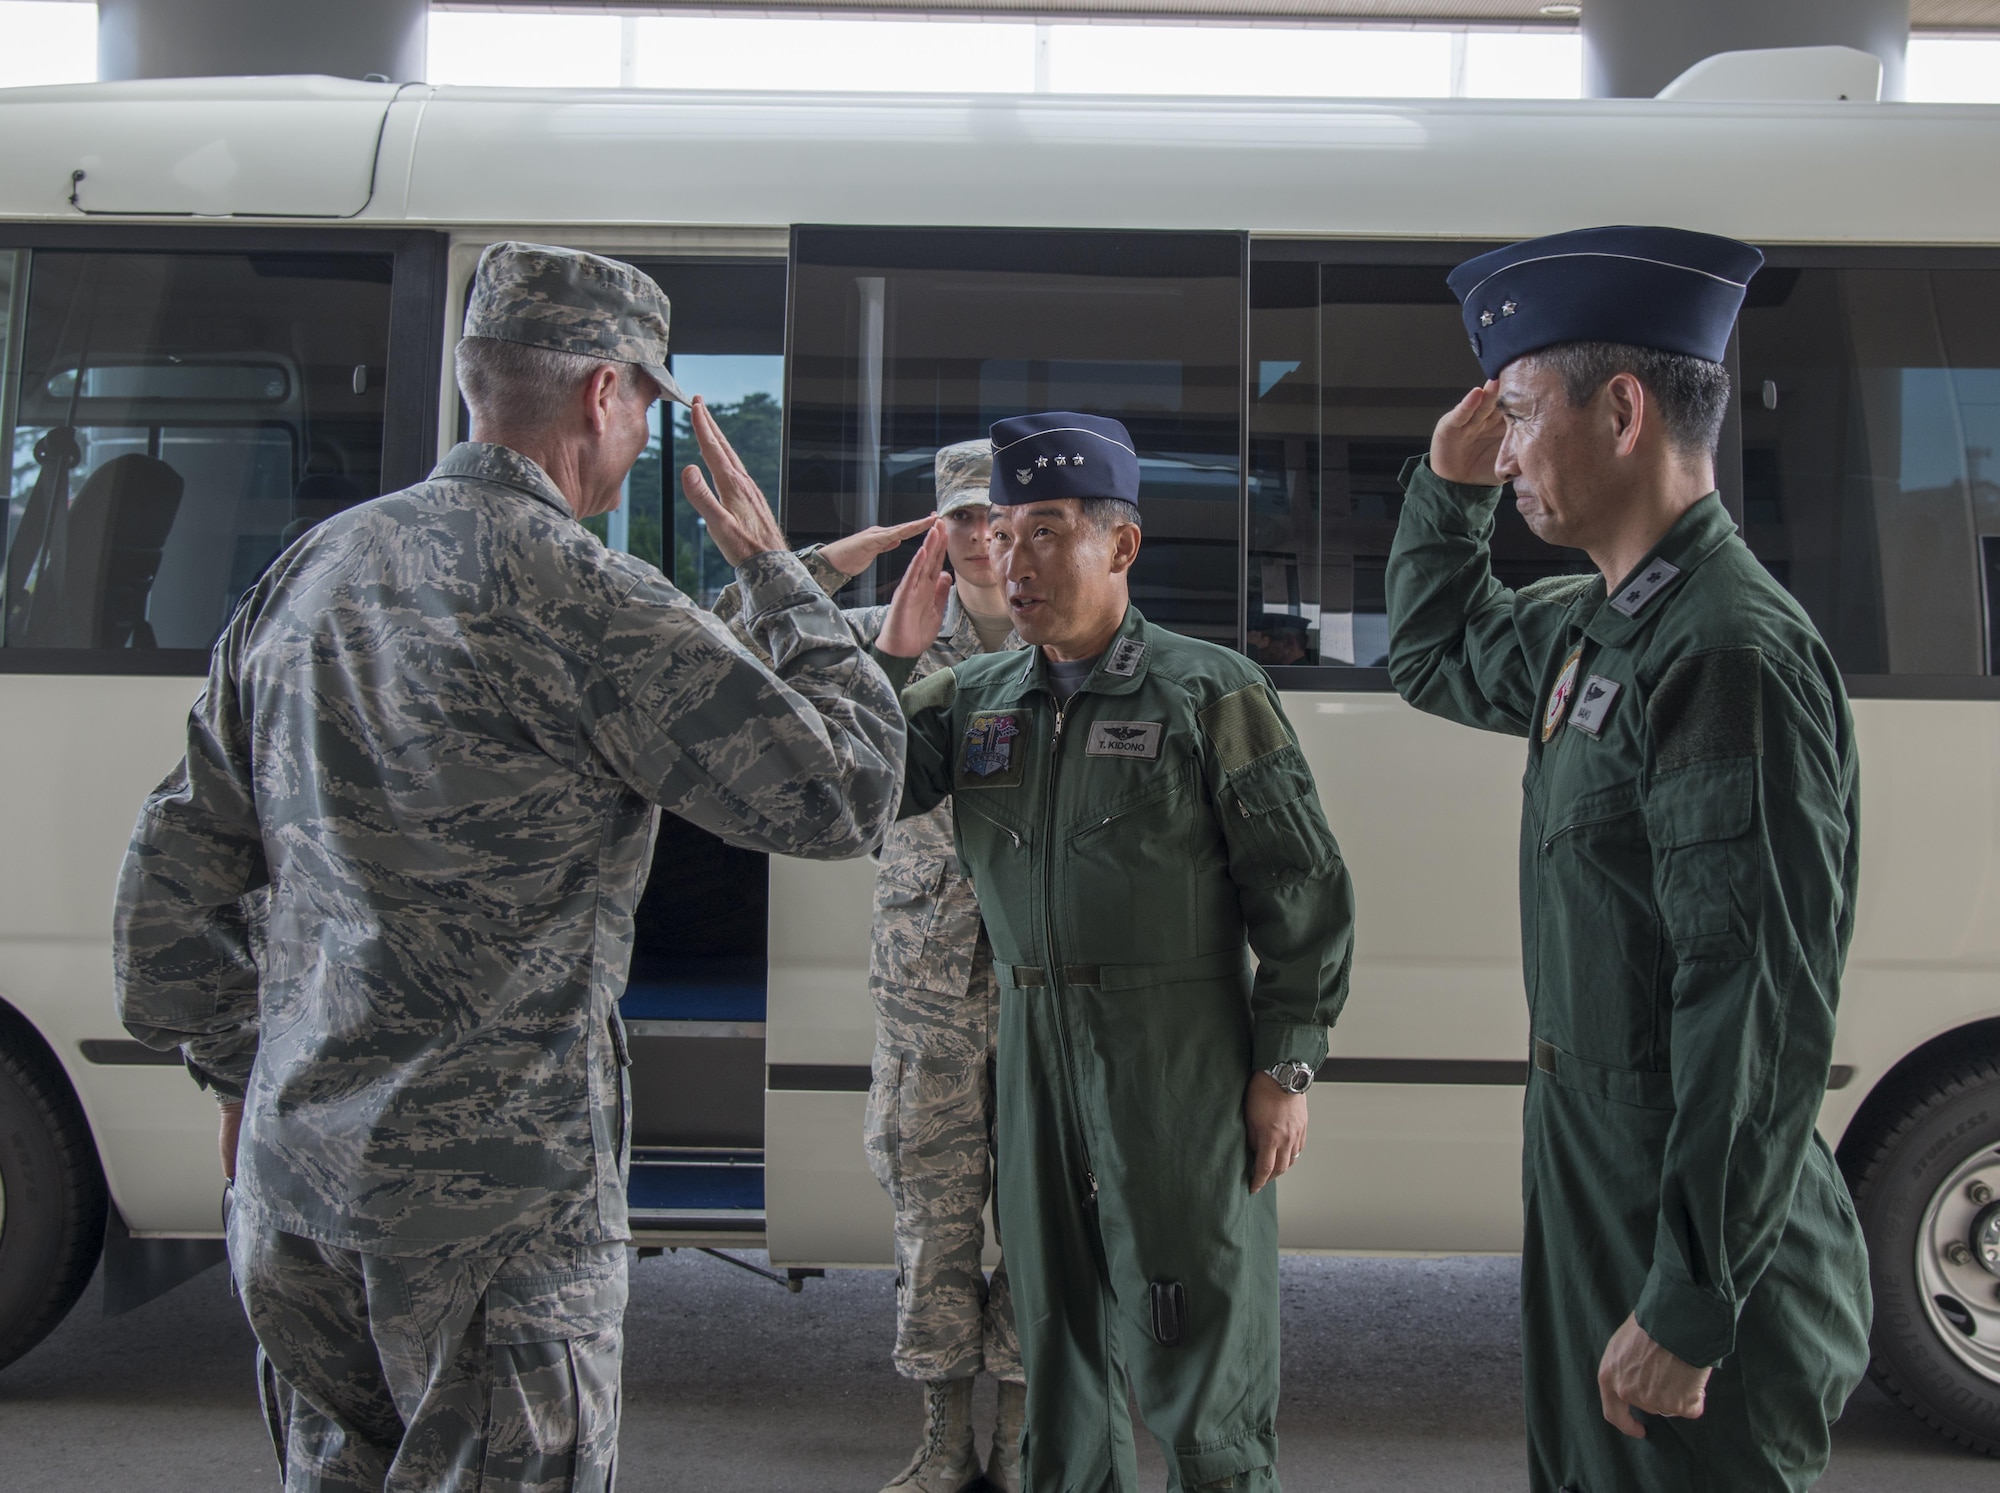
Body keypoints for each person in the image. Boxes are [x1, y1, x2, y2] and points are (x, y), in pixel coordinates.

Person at [111, 241, 906, 1493]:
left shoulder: (308, 573)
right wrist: (779, 579)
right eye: (646, 402)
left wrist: (247, 1075)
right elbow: (845, 788)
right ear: (602, 393)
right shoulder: (588, 597)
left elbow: (162, 902)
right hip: (491, 1224)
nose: (645, 432)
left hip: (294, 1198)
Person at [1383, 225, 1870, 1492]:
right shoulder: (1602, 623)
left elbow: (1750, 1000)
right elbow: (1434, 655)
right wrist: (1450, 493)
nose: (1504, 449)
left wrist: (1690, 1300)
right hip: (1598, 1172)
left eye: (1521, 412)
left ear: (1621, 409)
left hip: (1678, 1199)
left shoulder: (1724, 651)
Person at [870, 411, 1356, 1493]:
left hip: (1172, 1050)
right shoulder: (977, 699)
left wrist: (1284, 1062)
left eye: (1043, 530)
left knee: (1196, 1324)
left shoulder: (1206, 689)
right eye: (998, 531)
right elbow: (863, 786)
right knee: (1053, 1332)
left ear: (1119, 546)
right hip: (1030, 1044)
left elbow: (1299, 886)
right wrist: (895, 655)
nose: (1010, 557)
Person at [714, 440, 1028, 1493]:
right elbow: (719, 637)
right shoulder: (876, 643)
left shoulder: (1072, 632)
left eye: (1002, 516)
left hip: (1049, 981)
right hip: (927, 984)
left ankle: (1024, 1430)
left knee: (1043, 1207)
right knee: (932, 1213)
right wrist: (830, 562)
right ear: (936, 529)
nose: (986, 540)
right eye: (965, 520)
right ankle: (942, 1434)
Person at [1245, 613, 1310, 667]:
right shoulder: (1302, 672)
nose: (1261, 650)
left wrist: (1252, 649)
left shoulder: (1292, 676)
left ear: (1289, 642)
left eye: (1263, 640)